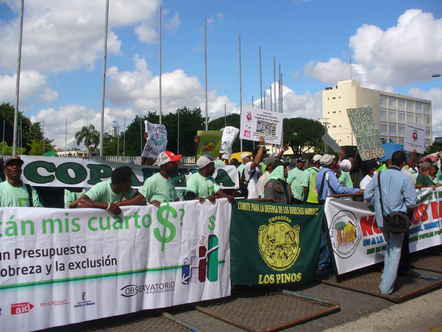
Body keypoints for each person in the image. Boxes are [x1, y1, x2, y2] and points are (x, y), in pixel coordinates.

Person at [364, 150, 416, 294]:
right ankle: (386, 287)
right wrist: (398, 208)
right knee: (395, 251)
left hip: (381, 219)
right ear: (403, 163)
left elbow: (367, 195)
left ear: (391, 161)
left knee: (390, 247)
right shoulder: (405, 178)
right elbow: (411, 203)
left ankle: (385, 277)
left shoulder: (378, 175)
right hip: (397, 220)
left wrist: (379, 205)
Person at [316, 154, 360, 274]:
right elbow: (339, 189)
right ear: (331, 163)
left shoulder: (320, 173)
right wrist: (355, 190)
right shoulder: (329, 174)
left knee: (324, 233)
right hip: (329, 205)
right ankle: (324, 263)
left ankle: (323, 262)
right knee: (329, 234)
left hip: (322, 203)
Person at [74, 166, 141, 214]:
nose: (131, 184)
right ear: (120, 183)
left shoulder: (127, 189)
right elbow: (80, 203)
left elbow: (141, 199)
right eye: (129, 182)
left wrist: (118, 204)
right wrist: (107, 206)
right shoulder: (101, 187)